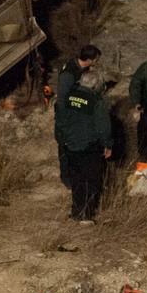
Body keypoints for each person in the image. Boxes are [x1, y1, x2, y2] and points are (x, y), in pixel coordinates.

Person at [56, 70, 112, 223]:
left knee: (77, 179)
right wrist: (107, 144)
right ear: (96, 85)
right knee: (91, 180)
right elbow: (103, 127)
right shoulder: (96, 101)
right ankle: (86, 215)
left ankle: (76, 212)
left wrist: (63, 140)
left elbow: (60, 121)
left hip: (70, 145)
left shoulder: (67, 97)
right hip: (89, 147)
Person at [54, 44, 102, 187]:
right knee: (65, 146)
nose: (97, 61)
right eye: (96, 59)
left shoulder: (82, 68)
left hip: (76, 112)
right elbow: (62, 101)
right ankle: (66, 178)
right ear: (90, 59)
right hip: (66, 114)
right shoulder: (69, 74)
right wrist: (63, 123)